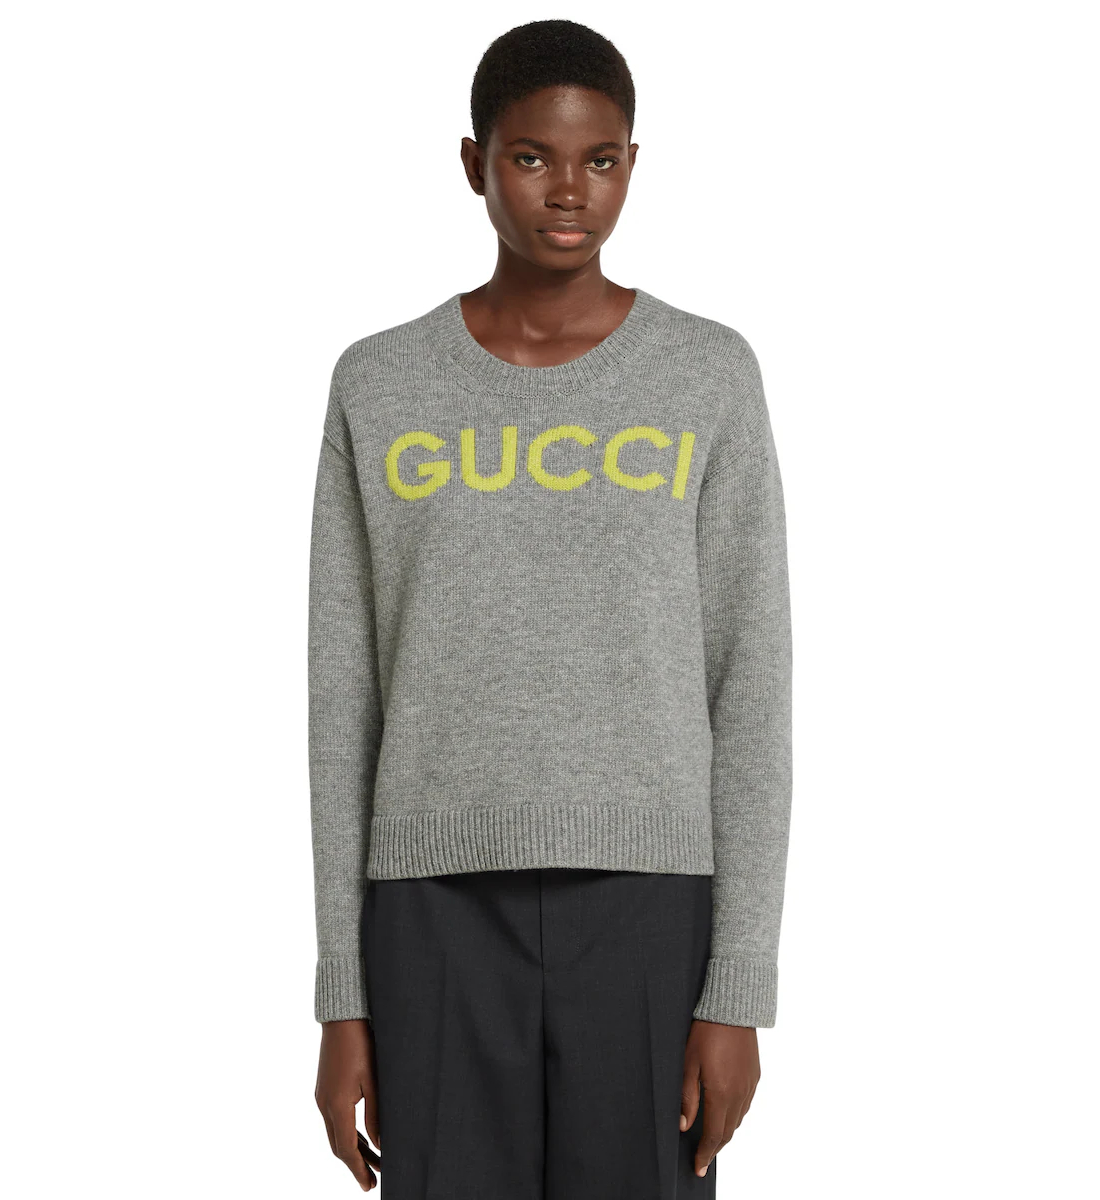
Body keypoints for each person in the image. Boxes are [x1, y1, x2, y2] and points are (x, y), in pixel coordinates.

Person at [308, 19, 792, 1199]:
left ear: (632, 164)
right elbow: (342, 694)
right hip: (428, 912)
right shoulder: (379, 383)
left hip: (650, 907)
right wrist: (342, 994)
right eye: (531, 158)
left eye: (601, 160)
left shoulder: (707, 374)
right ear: (473, 163)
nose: (569, 191)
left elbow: (752, 682)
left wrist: (738, 990)